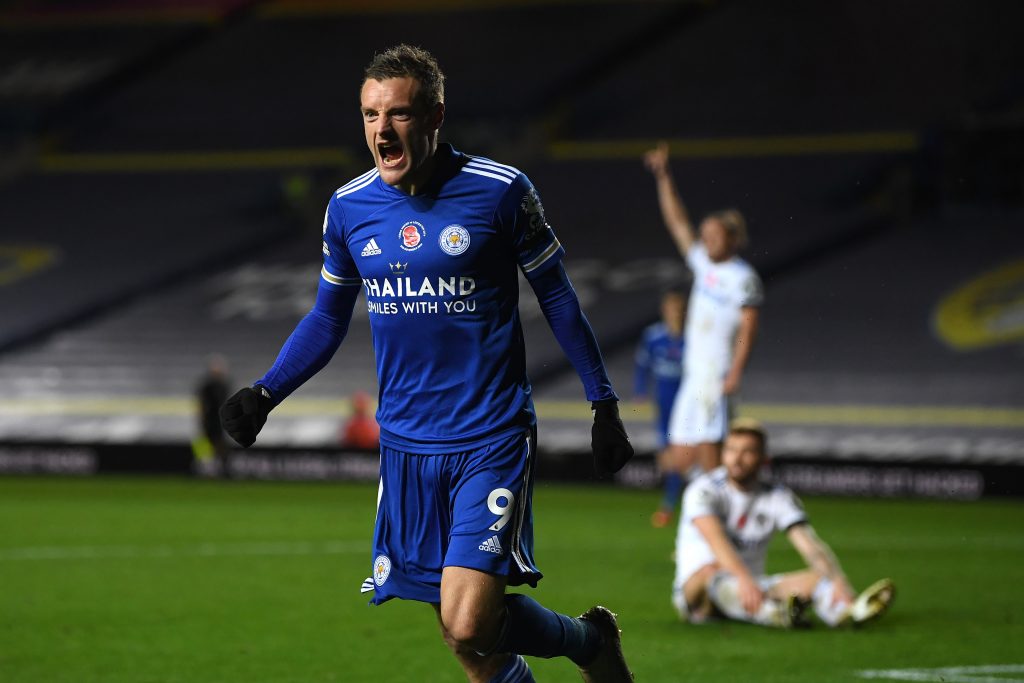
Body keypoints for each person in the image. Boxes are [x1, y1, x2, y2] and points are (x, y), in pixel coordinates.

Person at [219, 45, 635, 683]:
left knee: (468, 621)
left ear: (436, 115)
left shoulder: (501, 192)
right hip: (406, 445)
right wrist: (266, 391)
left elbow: (556, 295)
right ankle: (592, 644)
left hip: (488, 436)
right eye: (369, 115)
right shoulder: (348, 209)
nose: (381, 130)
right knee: (462, 633)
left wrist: (602, 405)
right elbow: (329, 317)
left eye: (399, 114)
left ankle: (586, 641)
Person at [672, 418, 895, 629]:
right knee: (712, 571)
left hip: (752, 589)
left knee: (818, 581)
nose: (737, 459)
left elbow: (809, 544)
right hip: (698, 595)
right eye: (731, 450)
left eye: (747, 452)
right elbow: (716, 541)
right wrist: (743, 579)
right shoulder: (703, 490)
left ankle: (846, 612)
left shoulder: (777, 496)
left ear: (763, 458)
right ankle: (776, 615)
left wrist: (838, 581)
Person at [644, 141, 763, 481]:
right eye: (705, 234)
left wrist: (735, 373)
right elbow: (678, 223)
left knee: (709, 445)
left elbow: (749, 328)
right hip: (693, 373)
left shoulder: (742, 278)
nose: (706, 240)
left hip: (715, 373)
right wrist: (663, 176)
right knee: (678, 458)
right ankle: (717, 493)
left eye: (715, 235)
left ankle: (723, 502)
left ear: (733, 239)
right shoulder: (703, 265)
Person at [633, 290, 687, 528]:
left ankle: (669, 506)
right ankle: (673, 505)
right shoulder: (653, 336)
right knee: (669, 459)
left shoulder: (693, 336)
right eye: (671, 309)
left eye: (679, 309)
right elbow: (642, 365)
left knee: (683, 458)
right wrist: (640, 390)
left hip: (688, 405)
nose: (675, 314)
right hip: (664, 404)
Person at [193, 353, 230, 475]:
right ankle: (202, 467)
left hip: (219, 420)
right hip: (209, 419)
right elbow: (201, 403)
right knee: (205, 443)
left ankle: (222, 468)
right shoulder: (207, 386)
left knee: (219, 443)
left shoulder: (224, 385)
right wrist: (202, 418)